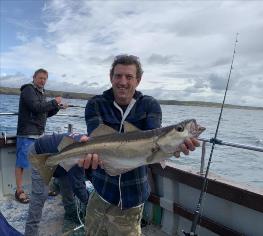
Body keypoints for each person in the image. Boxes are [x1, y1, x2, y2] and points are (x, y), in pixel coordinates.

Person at [83, 54, 200, 235]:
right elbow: (95, 138)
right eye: (118, 76)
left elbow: (154, 139)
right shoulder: (96, 103)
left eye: (129, 77)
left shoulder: (149, 105)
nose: (123, 82)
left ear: (138, 80)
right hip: (101, 189)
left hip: (133, 195)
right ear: (111, 78)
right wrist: (88, 148)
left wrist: (174, 148)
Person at [15, 68, 66, 203]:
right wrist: (54, 102)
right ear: (34, 77)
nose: (42, 81)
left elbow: (44, 113)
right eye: (40, 78)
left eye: (45, 79)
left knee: (41, 162)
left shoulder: (42, 93)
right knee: (21, 162)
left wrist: (56, 107)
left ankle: (42, 187)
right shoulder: (28, 90)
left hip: (39, 134)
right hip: (27, 132)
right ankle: (19, 190)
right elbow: (35, 107)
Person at [25, 133, 90, 236]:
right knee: (40, 195)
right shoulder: (81, 153)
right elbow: (78, 187)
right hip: (40, 154)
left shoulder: (85, 141)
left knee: (67, 186)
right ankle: (30, 232)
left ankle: (71, 213)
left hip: (60, 159)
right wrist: (90, 202)